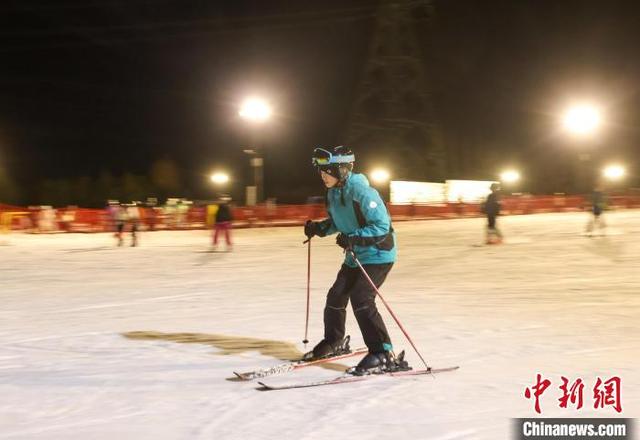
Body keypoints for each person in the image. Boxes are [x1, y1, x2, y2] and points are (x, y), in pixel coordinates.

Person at [303, 146, 405, 374]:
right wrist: (318, 229)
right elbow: (339, 222)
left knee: (362, 298)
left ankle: (382, 353)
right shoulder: (333, 193)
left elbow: (382, 227)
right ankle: (334, 341)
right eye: (321, 171)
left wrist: (355, 238)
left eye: (327, 171)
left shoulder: (363, 192)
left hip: (379, 254)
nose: (323, 175)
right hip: (355, 255)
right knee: (336, 295)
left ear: (342, 170)